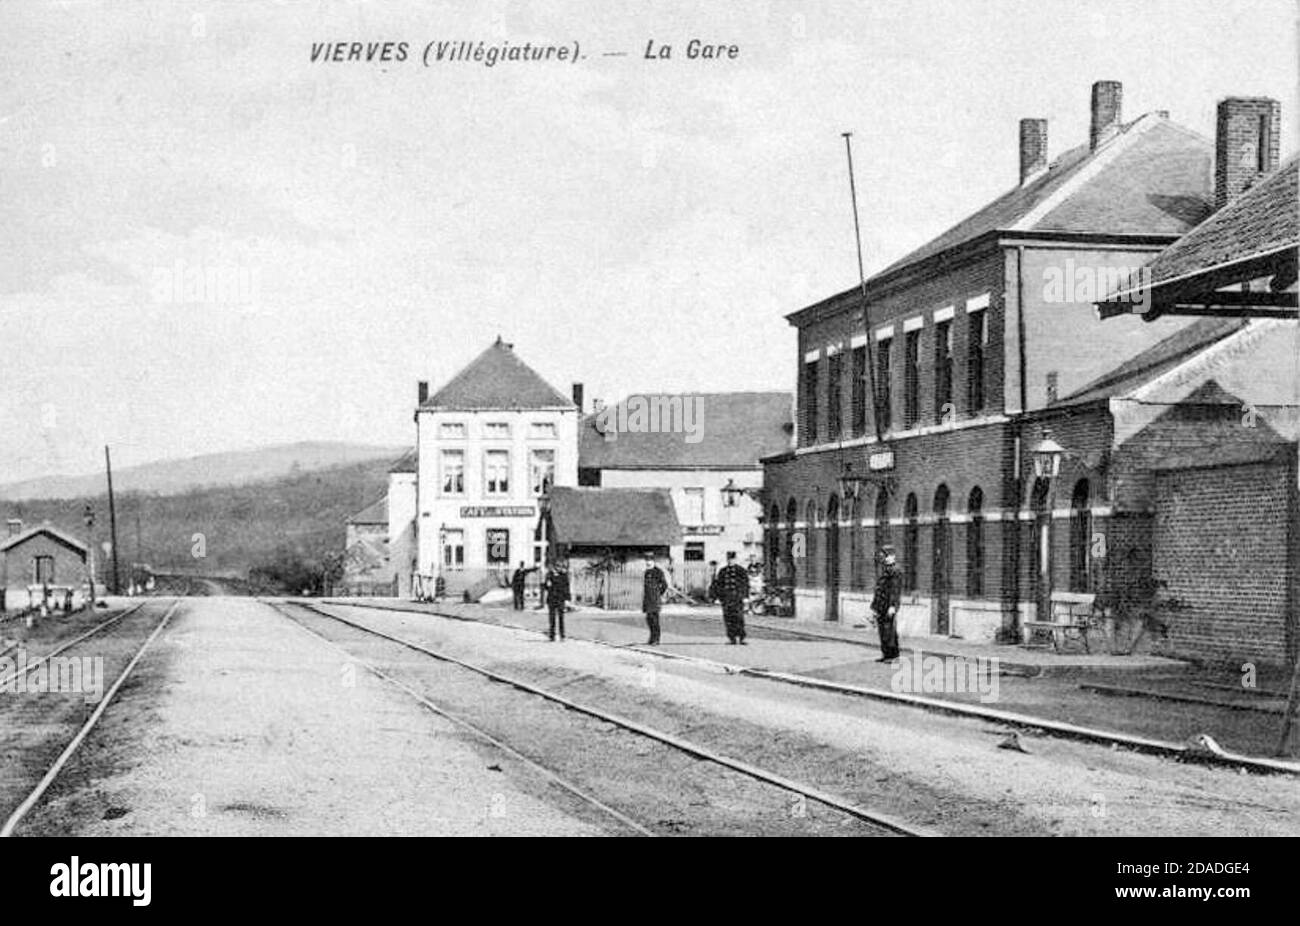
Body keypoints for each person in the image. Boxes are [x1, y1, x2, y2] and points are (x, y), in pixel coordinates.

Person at [709, 550, 751, 644]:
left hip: (737, 598)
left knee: (739, 617)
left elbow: (745, 584)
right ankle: (732, 638)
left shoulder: (741, 570)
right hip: (726, 599)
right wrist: (717, 597)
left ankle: (741, 637)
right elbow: (718, 585)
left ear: (735, 559)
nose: (730, 561)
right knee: (728, 618)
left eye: (732, 559)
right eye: (729, 559)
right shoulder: (723, 571)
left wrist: (745, 597)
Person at [871, 547, 903, 662]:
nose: (882, 558)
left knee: (889, 630)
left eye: (883, 556)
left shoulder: (895, 571)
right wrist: (874, 606)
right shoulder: (886, 569)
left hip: (888, 606)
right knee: (883, 631)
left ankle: (893, 655)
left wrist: (893, 606)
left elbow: (895, 590)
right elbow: (879, 589)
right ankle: (886, 654)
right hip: (881, 605)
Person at [641, 554, 668, 645]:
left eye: (650, 560)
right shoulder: (646, 572)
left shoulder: (658, 572)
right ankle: (652, 638)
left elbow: (664, 585)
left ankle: (656, 639)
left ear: (653, 561)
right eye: (646, 560)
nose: (648, 562)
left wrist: (658, 594)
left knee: (654, 620)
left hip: (655, 600)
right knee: (649, 619)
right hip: (648, 599)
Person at [542, 561, 570, 641]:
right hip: (552, 599)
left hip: (560, 599)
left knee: (561, 618)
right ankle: (552, 636)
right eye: (557, 566)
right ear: (554, 567)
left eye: (560, 566)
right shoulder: (549, 575)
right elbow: (545, 586)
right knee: (552, 618)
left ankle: (562, 635)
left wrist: (567, 599)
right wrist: (547, 584)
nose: (558, 568)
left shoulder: (563, 576)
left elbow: (566, 588)